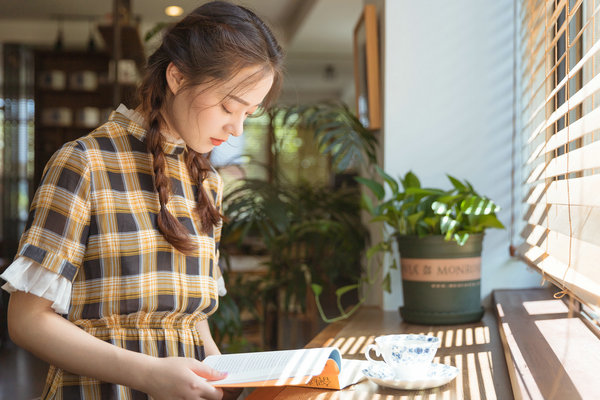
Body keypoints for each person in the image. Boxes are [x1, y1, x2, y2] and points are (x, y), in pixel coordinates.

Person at [0, 1, 283, 399]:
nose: (236, 128)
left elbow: (191, 319)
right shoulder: (84, 163)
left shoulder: (207, 182)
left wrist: (223, 381)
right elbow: (26, 322)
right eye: (228, 106)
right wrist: (149, 375)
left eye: (249, 114)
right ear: (178, 77)